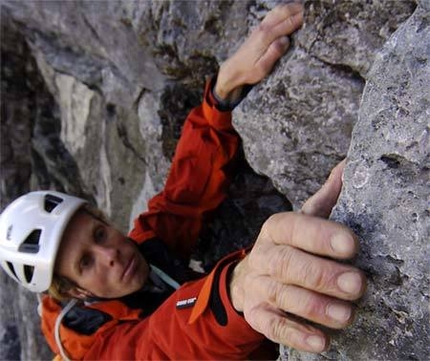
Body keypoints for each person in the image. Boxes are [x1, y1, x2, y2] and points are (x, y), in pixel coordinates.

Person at [0, 3, 365, 360]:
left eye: (97, 234)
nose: (110, 254)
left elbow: (181, 198)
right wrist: (234, 291)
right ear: (77, 292)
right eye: (85, 263)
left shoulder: (140, 256)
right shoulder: (98, 349)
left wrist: (222, 95)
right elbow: (158, 345)